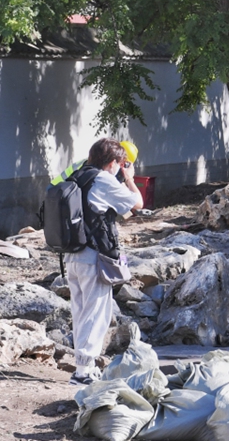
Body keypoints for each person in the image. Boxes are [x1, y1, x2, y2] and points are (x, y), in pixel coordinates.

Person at [62, 138, 143, 385]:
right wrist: (129, 178)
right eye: (121, 164)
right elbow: (137, 204)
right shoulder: (103, 179)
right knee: (96, 314)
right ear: (113, 163)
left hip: (72, 256)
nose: (121, 167)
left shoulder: (77, 175)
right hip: (92, 259)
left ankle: (81, 365)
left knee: (80, 312)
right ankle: (83, 372)